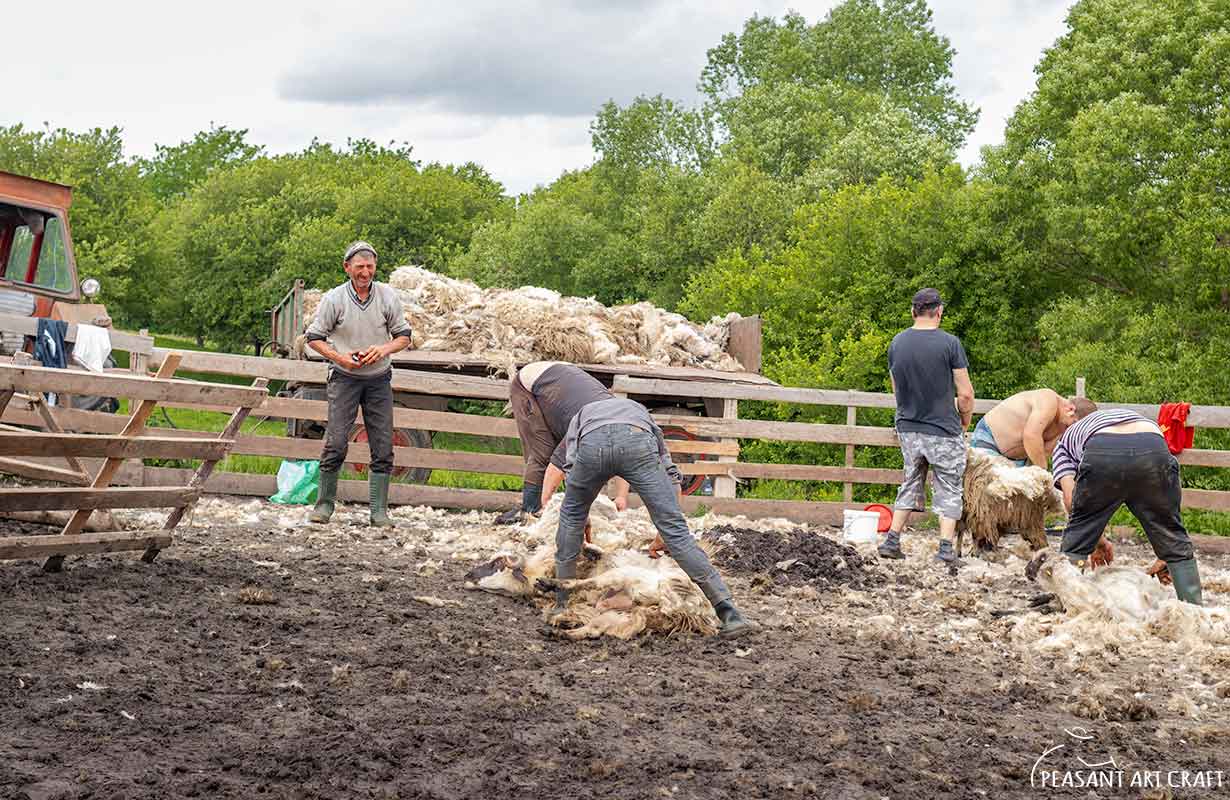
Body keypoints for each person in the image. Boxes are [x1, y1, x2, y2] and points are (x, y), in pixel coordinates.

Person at [540, 393, 754, 639]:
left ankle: (562, 604)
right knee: (678, 535)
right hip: (636, 441)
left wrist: (579, 511)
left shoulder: (582, 414)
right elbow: (670, 470)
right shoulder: (639, 411)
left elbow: (571, 463)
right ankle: (729, 613)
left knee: (570, 517)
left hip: (592, 444)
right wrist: (667, 529)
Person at [304, 241, 412, 527]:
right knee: (337, 441)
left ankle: (379, 512)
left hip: (378, 379)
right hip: (344, 378)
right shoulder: (334, 299)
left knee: (383, 444)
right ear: (347, 268)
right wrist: (340, 357)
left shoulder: (387, 296)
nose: (365, 272)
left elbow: (404, 336)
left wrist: (383, 350)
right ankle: (324, 505)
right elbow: (313, 337)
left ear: (375, 267)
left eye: (370, 266)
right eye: (360, 267)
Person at [1046, 408, 1202, 605]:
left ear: (1073, 422)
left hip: (1103, 450)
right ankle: (1194, 609)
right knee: (1171, 531)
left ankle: (1066, 604)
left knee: (1077, 536)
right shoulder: (1125, 416)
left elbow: (1072, 503)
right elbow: (1169, 502)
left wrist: (1096, 540)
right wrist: (1168, 550)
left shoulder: (1064, 443)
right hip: (1153, 443)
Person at [878, 288, 974, 563]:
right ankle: (945, 548)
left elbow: (897, 389)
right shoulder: (950, 344)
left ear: (913, 312)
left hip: (908, 427)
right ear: (939, 312)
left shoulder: (897, 343)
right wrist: (964, 421)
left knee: (910, 480)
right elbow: (965, 394)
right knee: (949, 484)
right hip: (942, 427)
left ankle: (892, 540)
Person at [495, 361, 629, 525]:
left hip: (564, 379)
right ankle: (530, 510)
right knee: (543, 454)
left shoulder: (622, 427)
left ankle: (564, 507)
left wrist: (621, 497)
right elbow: (556, 466)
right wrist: (546, 509)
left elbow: (623, 456)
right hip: (530, 382)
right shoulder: (588, 426)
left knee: (573, 457)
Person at [972, 389, 1097, 467]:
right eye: (1073, 423)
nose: (1072, 429)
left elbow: (1045, 452)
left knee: (1015, 504)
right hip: (990, 439)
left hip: (1019, 460)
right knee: (988, 497)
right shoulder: (1048, 400)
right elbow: (1031, 435)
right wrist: (1042, 473)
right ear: (1070, 409)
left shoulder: (1064, 426)